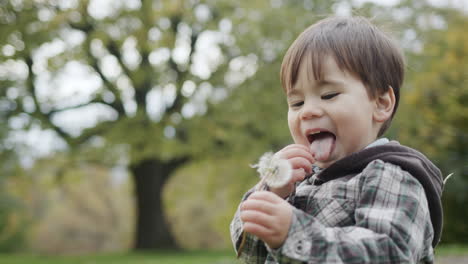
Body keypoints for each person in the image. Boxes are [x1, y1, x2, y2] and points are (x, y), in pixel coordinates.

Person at [230, 16, 444, 264]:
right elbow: (250, 254)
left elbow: (389, 254)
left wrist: (294, 234)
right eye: (297, 102)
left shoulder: (392, 176)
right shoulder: (299, 180)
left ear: (381, 104)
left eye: (328, 95)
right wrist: (271, 192)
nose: (308, 111)